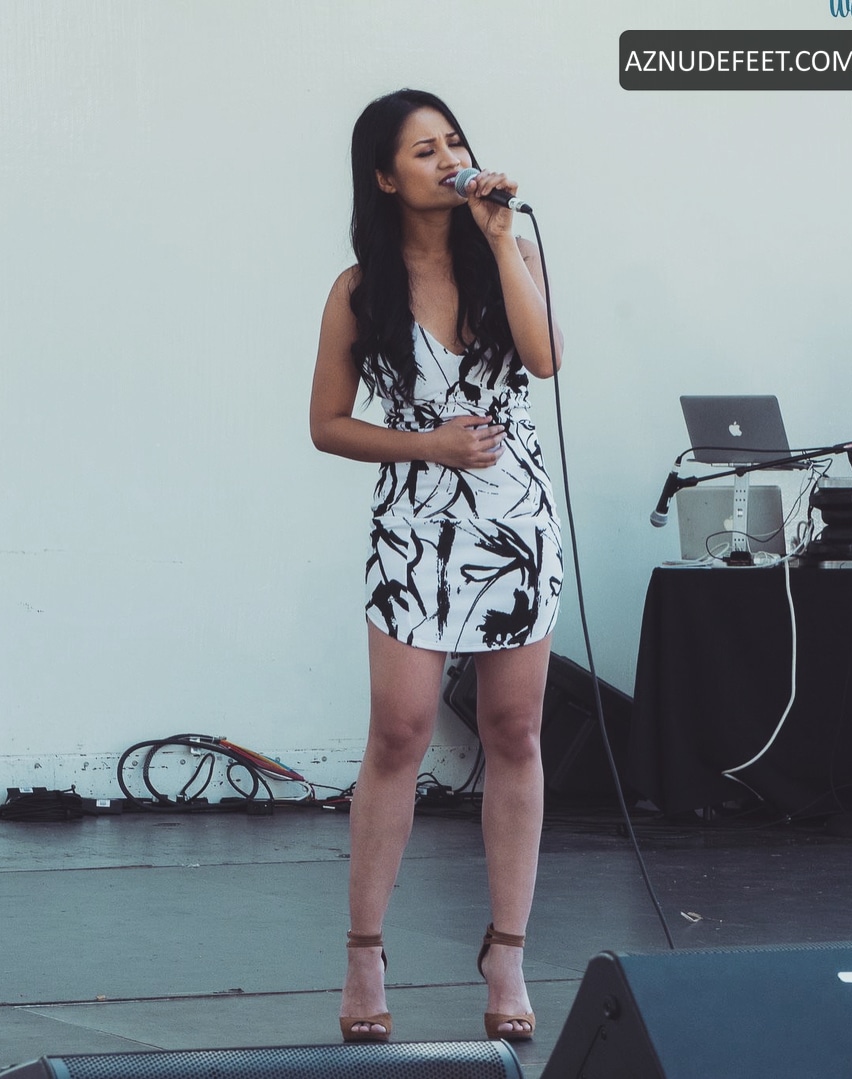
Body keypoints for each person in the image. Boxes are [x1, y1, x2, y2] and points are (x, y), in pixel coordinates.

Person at [309, 89, 564, 1044]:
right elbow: (327, 425)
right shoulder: (357, 289)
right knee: (400, 731)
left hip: (515, 518)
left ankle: (508, 950)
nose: (450, 158)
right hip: (416, 526)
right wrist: (428, 446)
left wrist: (501, 239)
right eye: (425, 149)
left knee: (515, 729)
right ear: (384, 177)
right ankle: (364, 952)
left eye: (454, 140)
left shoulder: (509, 251)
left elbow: (545, 360)